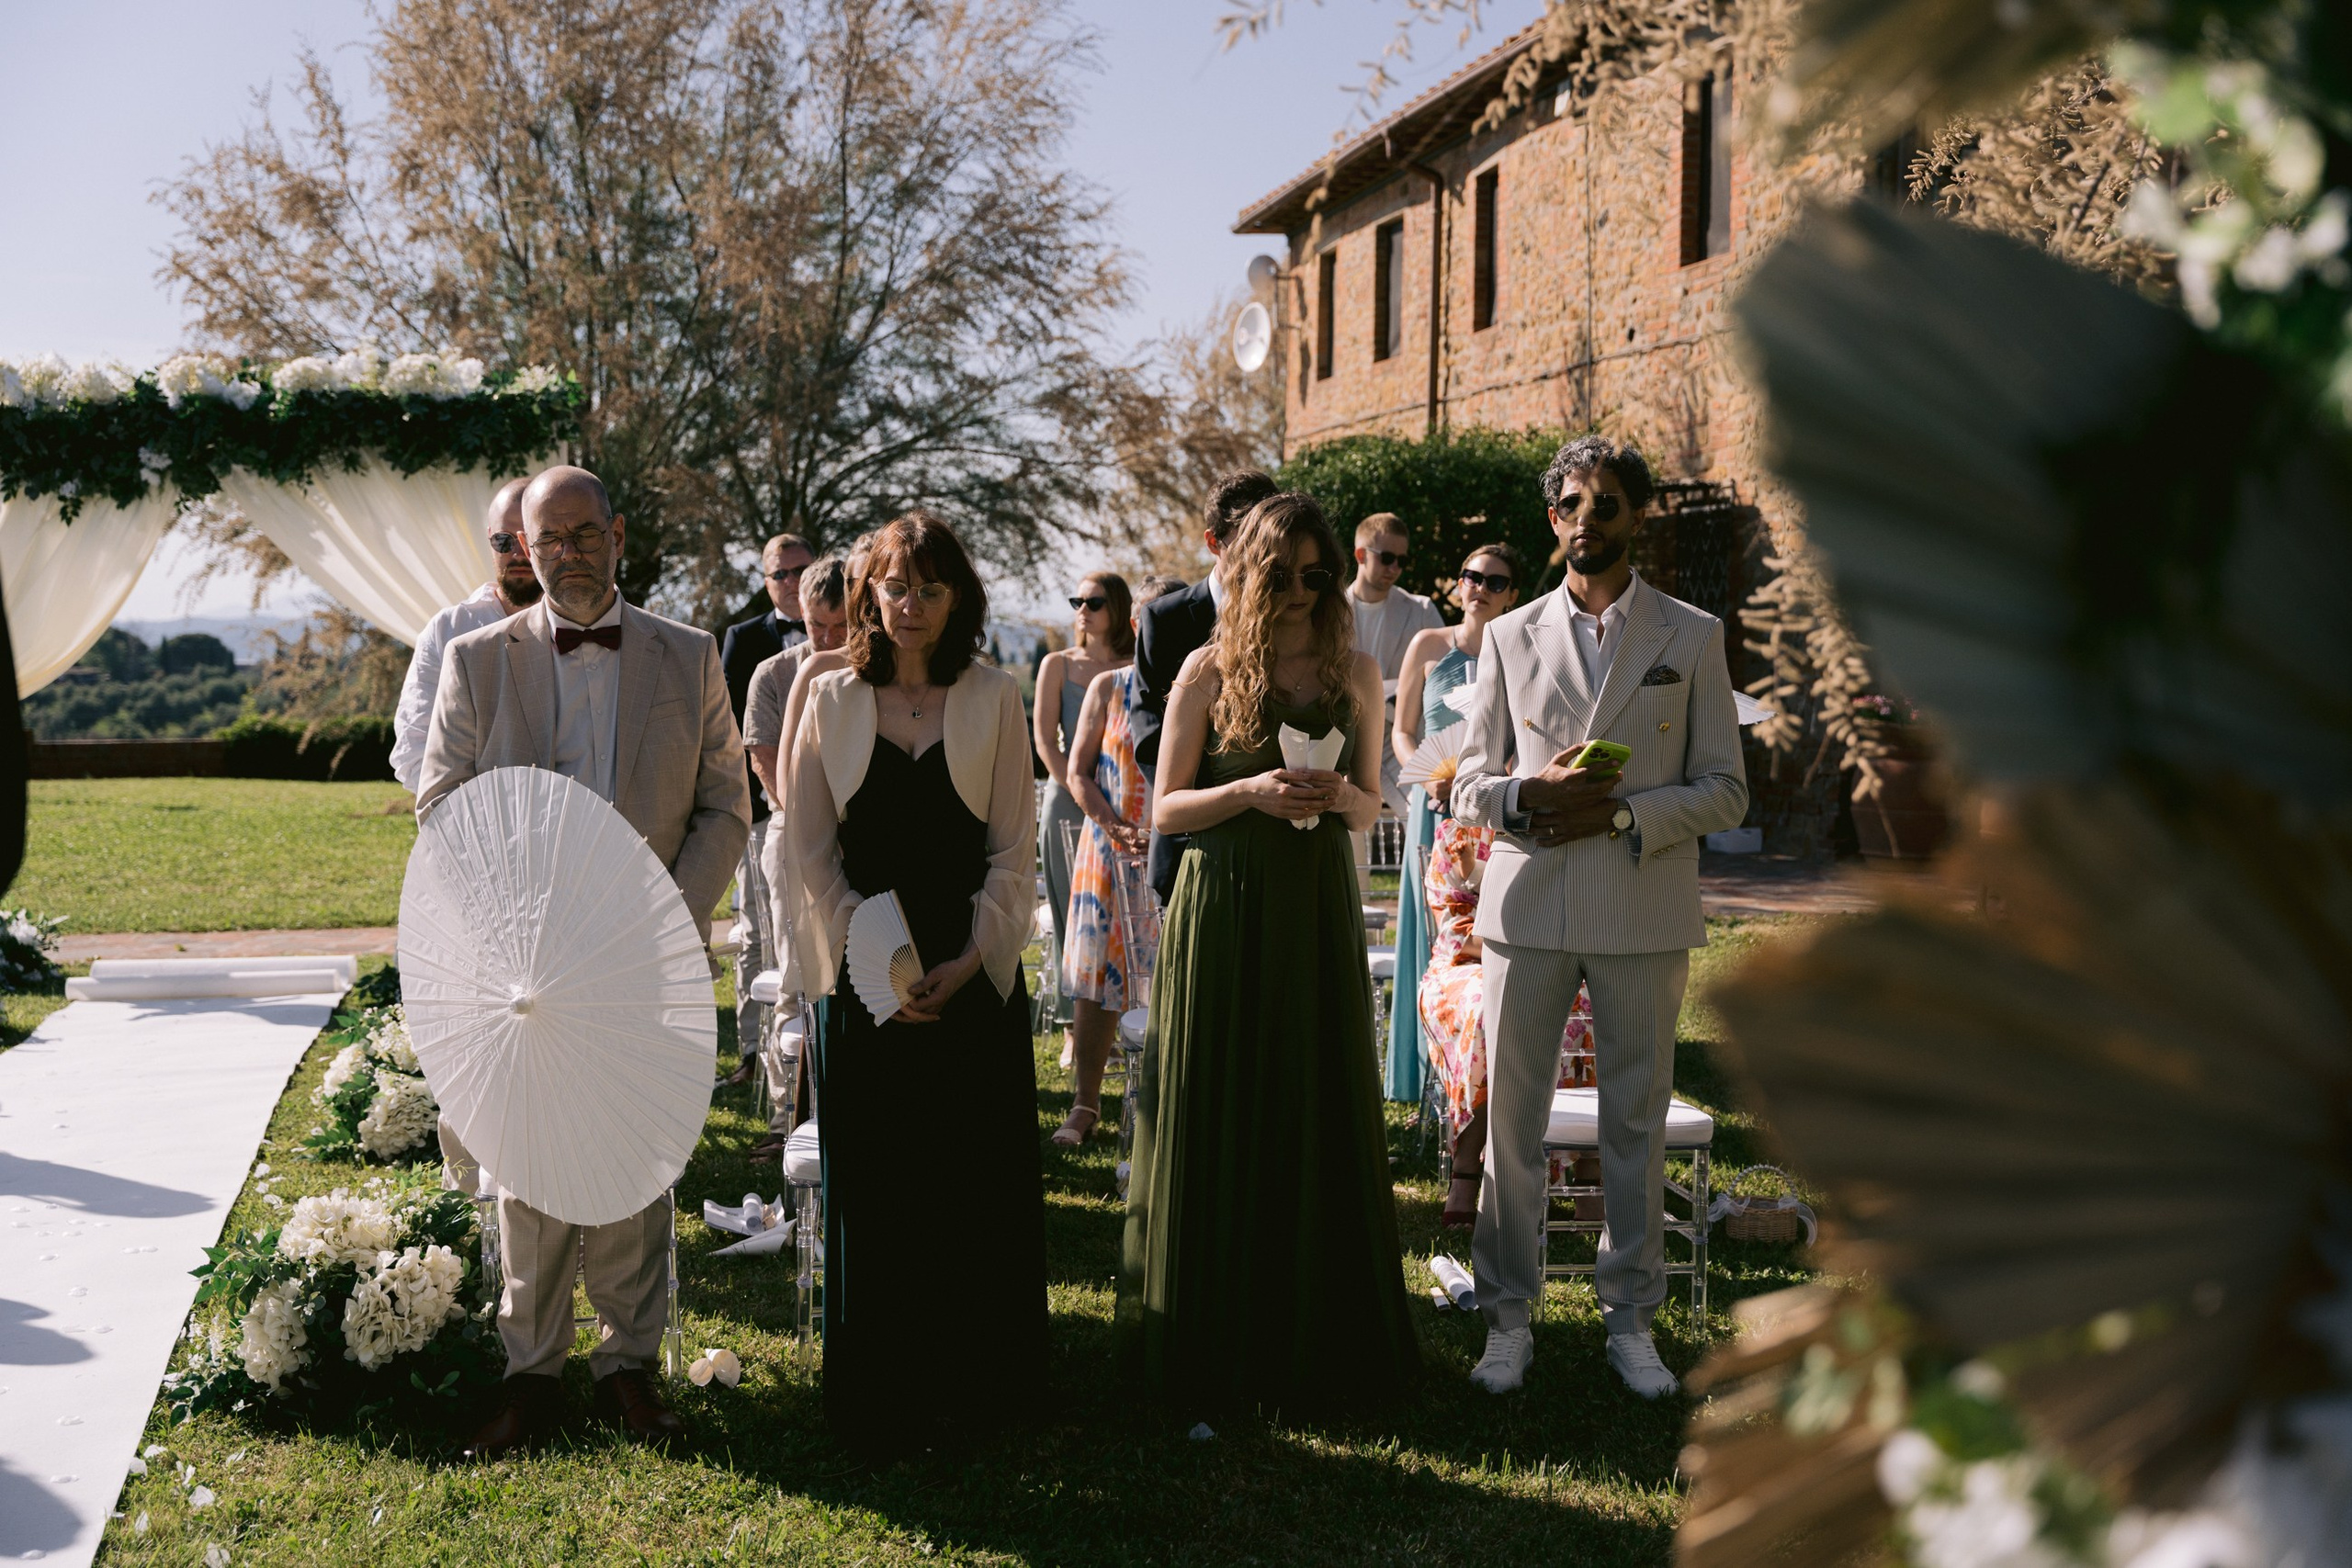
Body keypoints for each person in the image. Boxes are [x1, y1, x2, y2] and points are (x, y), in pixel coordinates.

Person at [417, 465, 752, 1455]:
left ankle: (629, 1370)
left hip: (648, 950)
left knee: (636, 1159)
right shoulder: (478, 661)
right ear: (523, 549)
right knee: (526, 1164)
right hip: (527, 956)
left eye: (581, 533)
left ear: (617, 532)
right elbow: (441, 805)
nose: (564, 553)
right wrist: (516, 917)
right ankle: (531, 1373)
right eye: (543, 539)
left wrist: (663, 912)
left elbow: (726, 804)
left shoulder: (687, 656)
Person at [1450, 436, 1747, 1400]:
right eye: (1570, 504)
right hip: (1527, 906)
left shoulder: (1692, 634)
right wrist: (1526, 796)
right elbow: (1462, 785)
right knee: (1512, 1127)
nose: (1586, 520)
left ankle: (1631, 1321)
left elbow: (1725, 792)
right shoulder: (1506, 634)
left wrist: (1622, 812)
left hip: (1642, 909)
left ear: (1637, 517)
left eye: (1605, 504)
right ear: (1553, 522)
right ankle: (1506, 1317)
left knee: (1634, 1123)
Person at [1119, 491, 1419, 1411]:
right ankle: (1214, 1327)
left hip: (1315, 900)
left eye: (1315, 574)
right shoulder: (1208, 670)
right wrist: (1247, 790)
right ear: (1249, 574)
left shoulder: (1359, 672)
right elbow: (1165, 808)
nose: (1298, 591)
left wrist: (1334, 797)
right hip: (1221, 903)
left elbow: (1375, 805)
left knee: (1311, 1090)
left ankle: (1317, 1330)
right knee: (1220, 1094)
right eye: (1280, 575)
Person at [784, 512, 1046, 1450]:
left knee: (969, 1184)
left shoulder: (994, 696)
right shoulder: (825, 698)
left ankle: (978, 1390)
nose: (910, 605)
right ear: (867, 592)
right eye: (895, 587)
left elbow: (1014, 851)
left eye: (930, 589)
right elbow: (809, 851)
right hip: (865, 976)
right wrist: (876, 961)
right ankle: (882, 1394)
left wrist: (969, 960)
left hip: (969, 972)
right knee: (884, 1187)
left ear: (957, 599)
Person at [1384, 543, 1526, 1104]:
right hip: (1433, 804)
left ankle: (1480, 1066)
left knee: (1482, 927)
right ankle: (1421, 1076)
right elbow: (1402, 730)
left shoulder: (1520, 648)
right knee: (1429, 933)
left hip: (1491, 810)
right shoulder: (1427, 644)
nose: (1480, 589)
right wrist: (1423, 778)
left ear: (1513, 594)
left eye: (1495, 582)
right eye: (1471, 577)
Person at [1417, 814, 1601, 1229]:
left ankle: (1592, 1173)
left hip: (1559, 953)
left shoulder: (1561, 824)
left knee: (1593, 1008)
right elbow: (1454, 930)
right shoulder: (1457, 832)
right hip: (1470, 962)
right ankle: (1468, 1170)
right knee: (1489, 1008)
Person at [1053, 572, 1183, 1147]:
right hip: (1108, 850)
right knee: (1095, 983)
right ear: (1136, 623)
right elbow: (1078, 771)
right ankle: (1085, 1106)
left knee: (1176, 978)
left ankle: (1169, 1103)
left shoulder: (1203, 687)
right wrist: (1114, 826)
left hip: (1176, 850)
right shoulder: (1109, 686)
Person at [740, 553, 851, 1155]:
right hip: (791, 831)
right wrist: (812, 820)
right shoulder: (774, 674)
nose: (828, 639)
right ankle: (787, 1120)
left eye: (841, 627)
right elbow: (765, 760)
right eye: (817, 627)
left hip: (854, 833)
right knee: (792, 971)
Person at [1132, 468, 1281, 902]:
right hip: (1189, 846)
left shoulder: (1291, 615)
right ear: (1214, 541)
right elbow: (1149, 735)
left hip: (1274, 841)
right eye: (1248, 539)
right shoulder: (1165, 620)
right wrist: (1226, 801)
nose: (1262, 553)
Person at [719, 532, 817, 1086]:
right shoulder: (744, 638)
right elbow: (731, 725)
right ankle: (755, 1056)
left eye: (799, 570)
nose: (790, 582)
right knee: (757, 931)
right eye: (779, 574)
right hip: (760, 807)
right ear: (765, 580)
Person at [1034, 573, 1134, 1061]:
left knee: (1118, 919)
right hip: (1064, 804)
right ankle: (1072, 1026)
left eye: (1093, 601)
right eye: (1077, 601)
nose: (1083, 609)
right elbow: (1044, 742)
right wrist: (1078, 790)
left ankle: (1118, 1022)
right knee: (1069, 917)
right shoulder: (1058, 663)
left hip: (1122, 805)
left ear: (1117, 607)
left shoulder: (1134, 669)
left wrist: (1107, 805)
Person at [390, 475, 543, 795]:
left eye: (529, 539)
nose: (517, 554)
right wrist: (473, 819)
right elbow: (413, 749)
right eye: (504, 541)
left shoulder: (587, 627)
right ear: (489, 540)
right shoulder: (448, 630)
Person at [1346, 512, 1445, 818]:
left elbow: (1441, 680)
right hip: (1342, 741)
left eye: (1401, 560)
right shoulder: (1329, 611)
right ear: (1361, 555)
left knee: (1423, 815)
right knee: (1349, 845)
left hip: (1403, 738)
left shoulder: (1421, 609)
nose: (1394, 568)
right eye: (1387, 557)